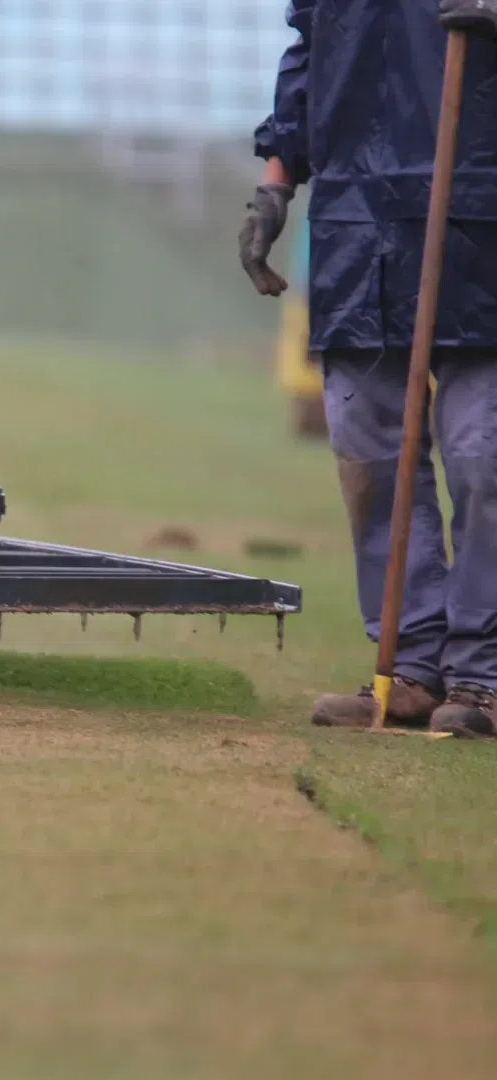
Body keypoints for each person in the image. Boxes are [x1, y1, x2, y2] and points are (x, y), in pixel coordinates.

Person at [239, 0, 497, 737]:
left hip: (478, 220)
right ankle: (408, 666)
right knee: (369, 458)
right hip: (360, 231)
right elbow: (310, 55)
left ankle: (483, 676)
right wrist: (277, 182)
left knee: (483, 457)